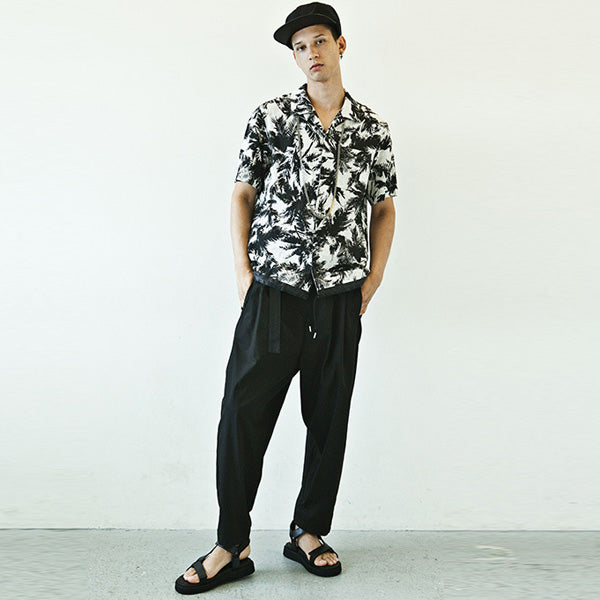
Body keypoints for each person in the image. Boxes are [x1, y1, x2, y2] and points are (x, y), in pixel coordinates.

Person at [175, 2, 397, 594]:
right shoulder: (271, 116)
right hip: (274, 293)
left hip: (340, 297)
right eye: (300, 47)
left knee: (328, 418)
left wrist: (373, 278)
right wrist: (244, 274)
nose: (310, 54)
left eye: (319, 41)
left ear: (340, 45)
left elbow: (383, 208)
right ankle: (232, 543)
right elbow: (242, 195)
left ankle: (308, 531)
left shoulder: (372, 128)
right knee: (242, 416)